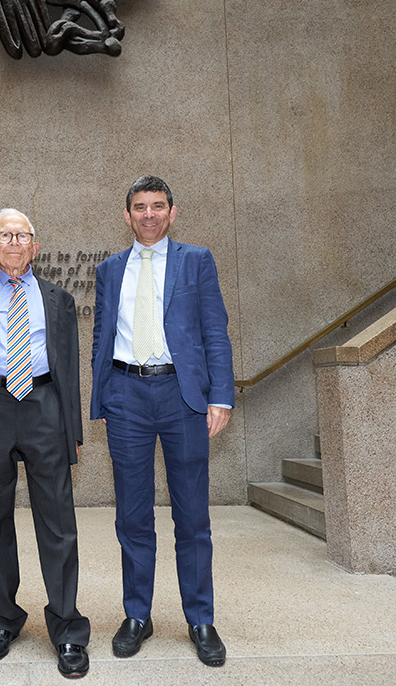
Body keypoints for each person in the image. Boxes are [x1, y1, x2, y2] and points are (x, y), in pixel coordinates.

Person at [89, 176, 234, 667]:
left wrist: (221, 396)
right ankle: (138, 615)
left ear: (172, 212)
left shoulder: (197, 260)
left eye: (157, 206)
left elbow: (215, 329)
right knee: (132, 514)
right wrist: (103, 397)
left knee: (192, 515)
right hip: (126, 394)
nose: (148, 214)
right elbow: (102, 336)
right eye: (139, 207)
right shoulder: (109, 269)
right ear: (126, 215)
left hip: (183, 396)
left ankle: (200, 618)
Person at [0, 208, 91, 679]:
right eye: (3, 236)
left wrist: (73, 432)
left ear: (35, 245)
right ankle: (4, 618)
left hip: (45, 407)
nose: (12, 242)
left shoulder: (59, 299)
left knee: (58, 523)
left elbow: (70, 370)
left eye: (21, 236)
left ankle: (67, 628)